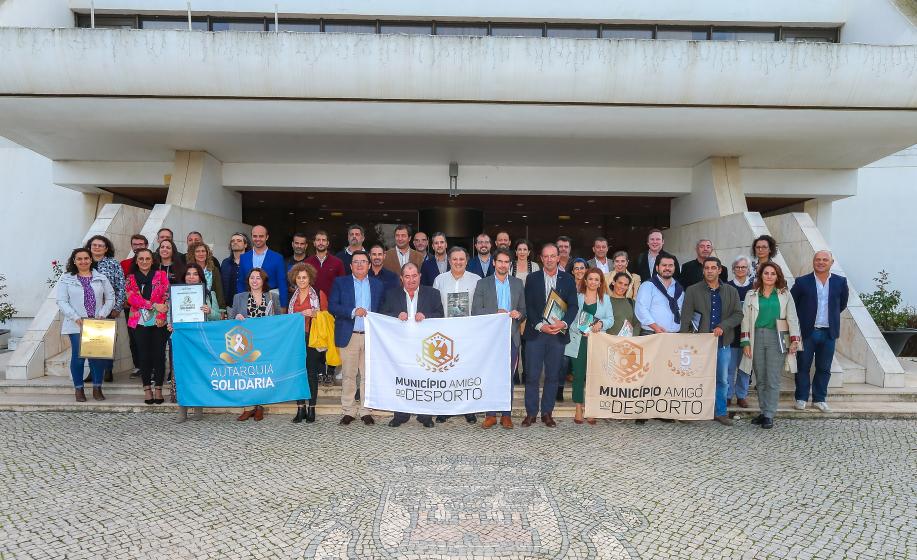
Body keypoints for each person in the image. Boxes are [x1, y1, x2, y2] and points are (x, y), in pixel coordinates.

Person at [679, 257, 743, 426]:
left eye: (713, 268)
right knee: (695, 378)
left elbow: (738, 314)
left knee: (722, 379)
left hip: (722, 343)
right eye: (706, 268)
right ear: (703, 270)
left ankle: (720, 412)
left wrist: (724, 326)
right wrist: (683, 340)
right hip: (698, 345)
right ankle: (692, 411)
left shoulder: (731, 291)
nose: (709, 271)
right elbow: (686, 315)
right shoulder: (692, 290)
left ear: (719, 270)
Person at [381, 263, 444, 428]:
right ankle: (400, 414)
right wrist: (396, 315)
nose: (411, 280)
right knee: (402, 379)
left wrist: (426, 315)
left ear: (420, 276)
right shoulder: (391, 294)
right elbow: (382, 315)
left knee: (425, 380)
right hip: (400, 347)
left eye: (414, 276)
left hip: (426, 346)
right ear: (401, 278)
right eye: (407, 276)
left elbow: (440, 315)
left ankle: (425, 415)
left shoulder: (433, 293)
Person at [521, 243, 578, 428]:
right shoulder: (532, 278)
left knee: (553, 376)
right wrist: (539, 325)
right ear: (541, 258)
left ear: (558, 257)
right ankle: (531, 413)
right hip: (537, 334)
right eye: (546, 256)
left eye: (552, 256)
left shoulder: (568, 279)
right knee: (532, 376)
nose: (549, 259)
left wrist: (564, 323)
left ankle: (547, 413)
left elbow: (574, 306)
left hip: (558, 334)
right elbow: (528, 305)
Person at [740, 262, 801, 430]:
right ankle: (763, 410)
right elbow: (745, 320)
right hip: (756, 337)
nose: (769, 276)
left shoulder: (784, 295)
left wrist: (795, 340)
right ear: (760, 275)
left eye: (773, 273)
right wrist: (745, 342)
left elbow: (792, 318)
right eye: (766, 273)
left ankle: (769, 414)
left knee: (773, 378)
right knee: (760, 378)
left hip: (777, 337)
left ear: (777, 276)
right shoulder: (751, 294)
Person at [329, 250, 385, 426]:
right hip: (349, 335)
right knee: (348, 375)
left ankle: (366, 410)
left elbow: (382, 309)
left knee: (367, 376)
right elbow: (332, 306)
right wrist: (353, 312)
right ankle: (349, 410)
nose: (360, 264)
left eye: (363, 261)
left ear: (369, 265)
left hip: (370, 336)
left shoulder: (377, 285)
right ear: (351, 265)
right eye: (356, 262)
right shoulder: (340, 282)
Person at [472, 248, 526, 429]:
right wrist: (496, 313)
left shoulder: (518, 284)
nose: (503, 265)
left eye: (506, 262)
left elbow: (524, 311)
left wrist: (518, 314)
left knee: (508, 378)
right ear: (494, 263)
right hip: (490, 340)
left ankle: (506, 414)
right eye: (500, 261)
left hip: (511, 337)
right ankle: (490, 415)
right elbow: (476, 311)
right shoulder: (482, 284)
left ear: (510, 264)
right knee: (489, 376)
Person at [791, 250, 849, 412]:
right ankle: (801, 398)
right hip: (807, 333)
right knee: (803, 366)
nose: (821, 262)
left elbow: (841, 304)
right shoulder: (802, 282)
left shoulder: (840, 282)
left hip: (829, 333)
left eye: (825, 259)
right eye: (818, 259)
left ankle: (819, 399)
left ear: (832, 262)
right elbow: (792, 305)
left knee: (824, 368)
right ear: (813, 262)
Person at [56, 248, 115, 402]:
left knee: (97, 357)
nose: (83, 261)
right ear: (74, 261)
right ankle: (79, 389)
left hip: (96, 324)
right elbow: (61, 301)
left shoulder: (101, 278)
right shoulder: (66, 279)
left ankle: (97, 388)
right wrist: (75, 317)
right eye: (79, 259)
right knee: (79, 356)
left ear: (91, 260)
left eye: (86, 258)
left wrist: (102, 314)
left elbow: (110, 297)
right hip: (76, 324)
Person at [432, 247, 482, 424]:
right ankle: (446, 409)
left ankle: (468, 409)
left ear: (467, 260)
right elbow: (435, 307)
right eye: (454, 259)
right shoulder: (440, 280)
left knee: (466, 372)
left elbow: (480, 307)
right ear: (449, 261)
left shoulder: (476, 280)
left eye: (461, 259)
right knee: (446, 372)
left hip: (468, 334)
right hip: (445, 334)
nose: (458, 262)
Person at [228, 268, 281, 422]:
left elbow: (279, 319)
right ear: (248, 280)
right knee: (247, 374)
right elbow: (231, 318)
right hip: (245, 343)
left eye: (258, 278)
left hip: (265, 342)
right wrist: (236, 317)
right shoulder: (239, 297)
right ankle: (248, 407)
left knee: (262, 374)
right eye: (252, 278)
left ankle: (260, 407)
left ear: (263, 281)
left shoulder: (273, 297)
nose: (255, 281)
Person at [170, 263, 221, 423]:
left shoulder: (209, 294)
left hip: (200, 340)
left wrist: (209, 311)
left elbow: (218, 316)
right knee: (181, 374)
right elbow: (170, 314)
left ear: (200, 277)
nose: (191, 277)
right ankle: (182, 410)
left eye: (195, 274)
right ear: (183, 277)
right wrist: (170, 324)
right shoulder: (175, 293)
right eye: (188, 274)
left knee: (198, 373)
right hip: (181, 339)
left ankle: (198, 408)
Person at [565, 268, 613, 425]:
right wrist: (578, 328)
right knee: (578, 375)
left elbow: (610, 319)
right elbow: (570, 317)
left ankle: (592, 408)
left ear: (600, 283)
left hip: (596, 342)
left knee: (593, 376)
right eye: (590, 279)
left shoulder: (605, 299)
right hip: (578, 340)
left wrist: (601, 323)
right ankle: (578, 407)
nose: (593, 282)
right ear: (585, 281)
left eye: (596, 279)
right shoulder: (577, 298)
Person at [125, 248, 170, 406]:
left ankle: (158, 388)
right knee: (143, 356)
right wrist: (153, 305)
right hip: (138, 322)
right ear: (136, 261)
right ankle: (147, 389)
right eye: (141, 259)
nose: (144, 261)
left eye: (147, 258)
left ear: (153, 260)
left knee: (158, 355)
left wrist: (161, 315)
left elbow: (166, 297)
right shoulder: (130, 278)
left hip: (158, 323)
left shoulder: (161, 275)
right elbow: (132, 299)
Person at [287, 262, 328, 424]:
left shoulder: (318, 293)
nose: (302, 280)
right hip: (296, 338)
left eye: (305, 277)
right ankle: (300, 408)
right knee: (298, 373)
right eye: (299, 277)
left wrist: (314, 313)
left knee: (311, 373)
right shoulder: (292, 297)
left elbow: (327, 315)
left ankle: (311, 408)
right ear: (294, 279)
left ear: (310, 278)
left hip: (312, 337)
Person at [85, 235, 126, 384]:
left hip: (108, 308)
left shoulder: (113, 263)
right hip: (87, 309)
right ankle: (93, 371)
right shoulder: (84, 262)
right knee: (90, 340)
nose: (97, 248)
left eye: (100, 245)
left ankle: (108, 369)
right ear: (89, 247)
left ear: (106, 248)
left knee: (106, 340)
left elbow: (121, 286)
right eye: (94, 245)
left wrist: (117, 307)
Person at [558, 258, 589, 401]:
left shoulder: (591, 286)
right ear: (572, 271)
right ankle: (559, 389)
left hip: (583, 329)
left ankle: (582, 393)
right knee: (563, 361)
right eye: (576, 268)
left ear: (586, 270)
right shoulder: (566, 285)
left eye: (582, 268)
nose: (579, 271)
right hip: (565, 326)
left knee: (580, 363)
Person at [238, 225, 289, 309]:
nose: (258, 239)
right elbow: (240, 282)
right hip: (248, 303)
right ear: (251, 237)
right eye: (255, 236)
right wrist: (241, 303)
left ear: (267, 237)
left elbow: (282, 284)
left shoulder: (277, 258)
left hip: (271, 303)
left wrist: (283, 306)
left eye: (261, 236)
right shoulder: (244, 257)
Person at [726, 255, 754, 408]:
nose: (741, 270)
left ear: (748, 269)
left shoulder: (755, 287)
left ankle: (742, 395)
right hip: (731, 333)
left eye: (744, 267)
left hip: (748, 334)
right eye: (738, 267)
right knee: (729, 368)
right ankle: (728, 395)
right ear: (733, 269)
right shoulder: (727, 286)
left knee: (745, 367)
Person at [121, 234, 148, 378]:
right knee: (134, 336)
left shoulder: (151, 261)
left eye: (141, 244)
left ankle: (151, 365)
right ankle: (138, 366)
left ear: (146, 245)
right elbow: (121, 285)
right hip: (131, 308)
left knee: (149, 337)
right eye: (135, 244)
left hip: (150, 307)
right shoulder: (124, 264)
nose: (138, 247)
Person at [635, 255, 684, 335]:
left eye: (670, 265)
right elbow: (641, 309)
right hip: (652, 333)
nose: (667, 268)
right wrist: (656, 327)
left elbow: (681, 311)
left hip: (674, 335)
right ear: (657, 268)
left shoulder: (679, 289)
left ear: (674, 268)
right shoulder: (648, 285)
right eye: (664, 265)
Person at [305, 230, 346, 298]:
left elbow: (342, 285)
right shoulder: (307, 263)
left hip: (332, 304)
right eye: (318, 240)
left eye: (323, 240)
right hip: (312, 304)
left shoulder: (338, 262)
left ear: (327, 243)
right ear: (314, 243)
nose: (321, 243)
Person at [186, 241, 225, 309]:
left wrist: (221, 309)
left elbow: (219, 290)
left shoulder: (214, 270)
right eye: (197, 251)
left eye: (203, 251)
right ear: (193, 254)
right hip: (192, 305)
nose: (201, 254)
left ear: (207, 253)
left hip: (211, 307)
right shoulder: (188, 269)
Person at [221, 232, 250, 308]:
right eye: (233, 241)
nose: (235, 242)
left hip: (249, 305)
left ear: (245, 245)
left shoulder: (253, 262)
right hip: (230, 307)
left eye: (239, 240)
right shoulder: (225, 263)